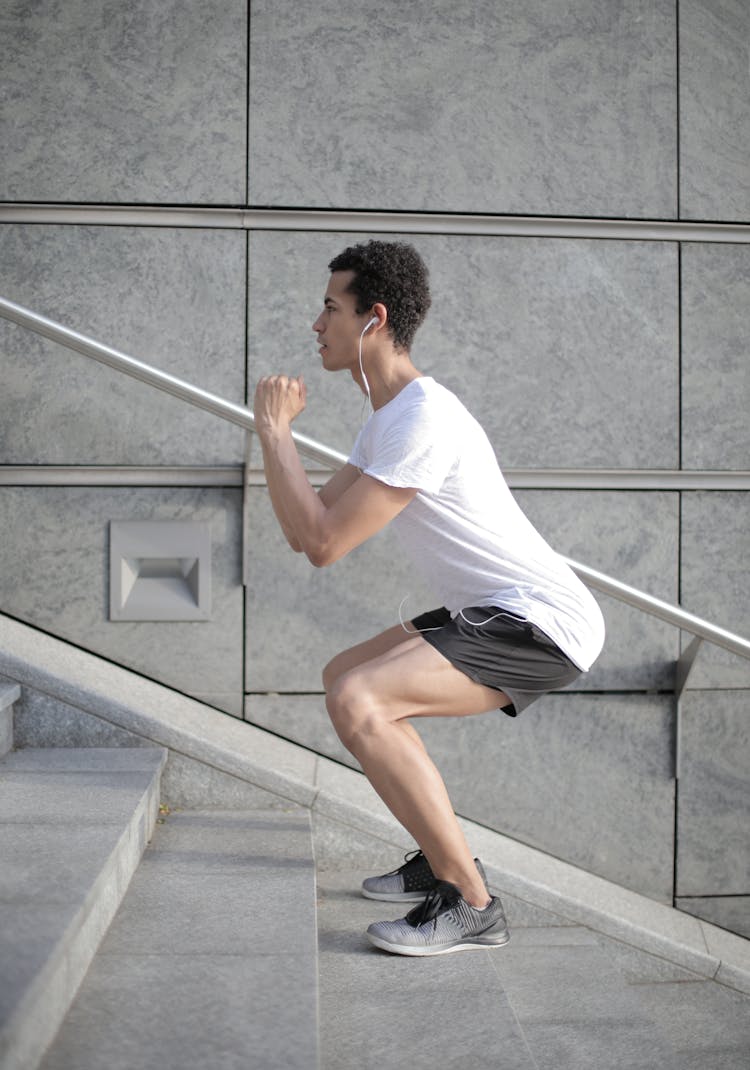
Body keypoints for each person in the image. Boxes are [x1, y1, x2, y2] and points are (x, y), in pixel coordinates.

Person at [253, 239, 605, 956]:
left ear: (373, 319)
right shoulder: (385, 420)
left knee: (360, 698)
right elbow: (305, 528)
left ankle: (472, 902)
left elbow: (322, 543)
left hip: (541, 621)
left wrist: (273, 428)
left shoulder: (421, 419)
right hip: (495, 607)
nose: (316, 325)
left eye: (330, 308)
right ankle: (436, 858)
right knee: (341, 677)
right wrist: (276, 440)